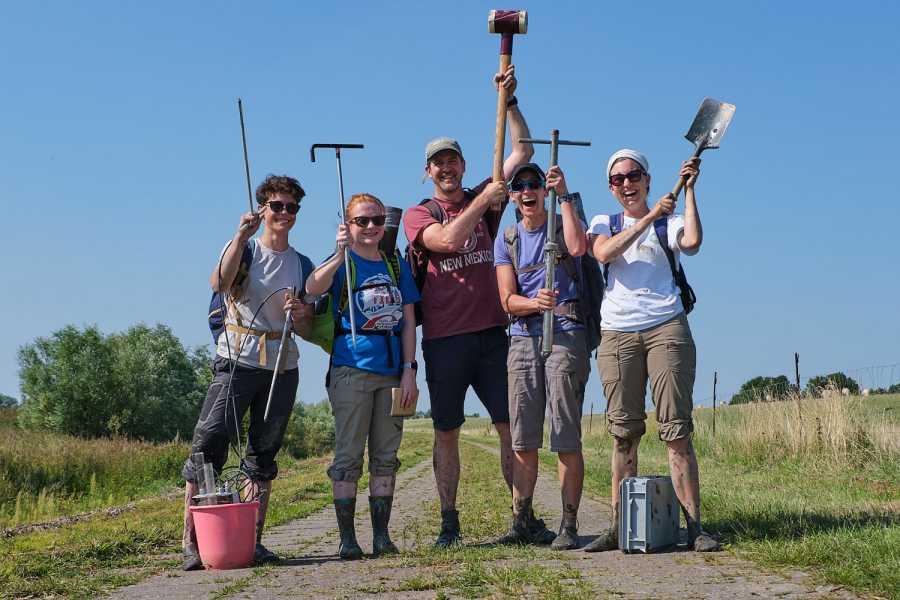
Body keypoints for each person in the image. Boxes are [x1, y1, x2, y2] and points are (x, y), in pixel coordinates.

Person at [402, 65, 557, 547]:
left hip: (495, 335)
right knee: (446, 430)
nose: (447, 169)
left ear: (464, 165)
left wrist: (509, 101)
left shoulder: (485, 196)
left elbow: (524, 152)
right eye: (438, 163)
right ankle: (449, 522)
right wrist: (484, 201)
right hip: (445, 342)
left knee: (510, 429)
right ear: (428, 171)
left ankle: (522, 518)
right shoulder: (418, 214)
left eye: (453, 162)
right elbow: (447, 240)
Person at [582, 149, 720, 552]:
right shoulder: (603, 222)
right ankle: (617, 526)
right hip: (618, 334)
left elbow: (692, 242)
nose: (627, 184)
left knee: (676, 430)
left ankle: (694, 527)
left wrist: (690, 191)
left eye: (634, 176)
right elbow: (604, 253)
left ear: (647, 178)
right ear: (611, 186)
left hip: (666, 327)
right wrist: (647, 217)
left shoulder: (670, 221)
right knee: (623, 434)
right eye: (618, 179)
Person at [181, 175, 314, 570]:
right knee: (209, 446)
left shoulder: (302, 265)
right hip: (237, 359)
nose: (284, 214)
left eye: (292, 208)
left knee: (262, 453)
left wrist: (302, 313)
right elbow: (219, 283)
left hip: (281, 365)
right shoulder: (245, 249)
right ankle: (192, 542)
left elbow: (306, 329)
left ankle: (251, 540)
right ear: (262, 208)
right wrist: (240, 236)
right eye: (277, 206)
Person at [305, 193, 420, 560]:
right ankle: (347, 539)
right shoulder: (343, 262)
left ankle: (382, 538)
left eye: (376, 220)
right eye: (362, 221)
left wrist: (409, 371)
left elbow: (409, 321)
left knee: (386, 456)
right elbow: (312, 288)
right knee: (349, 457)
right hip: (351, 371)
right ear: (348, 224)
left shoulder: (394, 263)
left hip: (392, 375)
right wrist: (338, 254)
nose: (371, 227)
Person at [493, 163, 590, 550]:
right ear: (513, 196)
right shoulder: (508, 237)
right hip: (522, 339)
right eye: (521, 186)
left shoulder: (561, 223)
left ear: (544, 191)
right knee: (523, 438)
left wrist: (564, 194)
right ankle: (522, 521)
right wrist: (535, 302)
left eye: (535, 184)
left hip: (566, 335)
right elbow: (506, 299)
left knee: (565, 434)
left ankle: (569, 524)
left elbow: (579, 246)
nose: (528, 190)